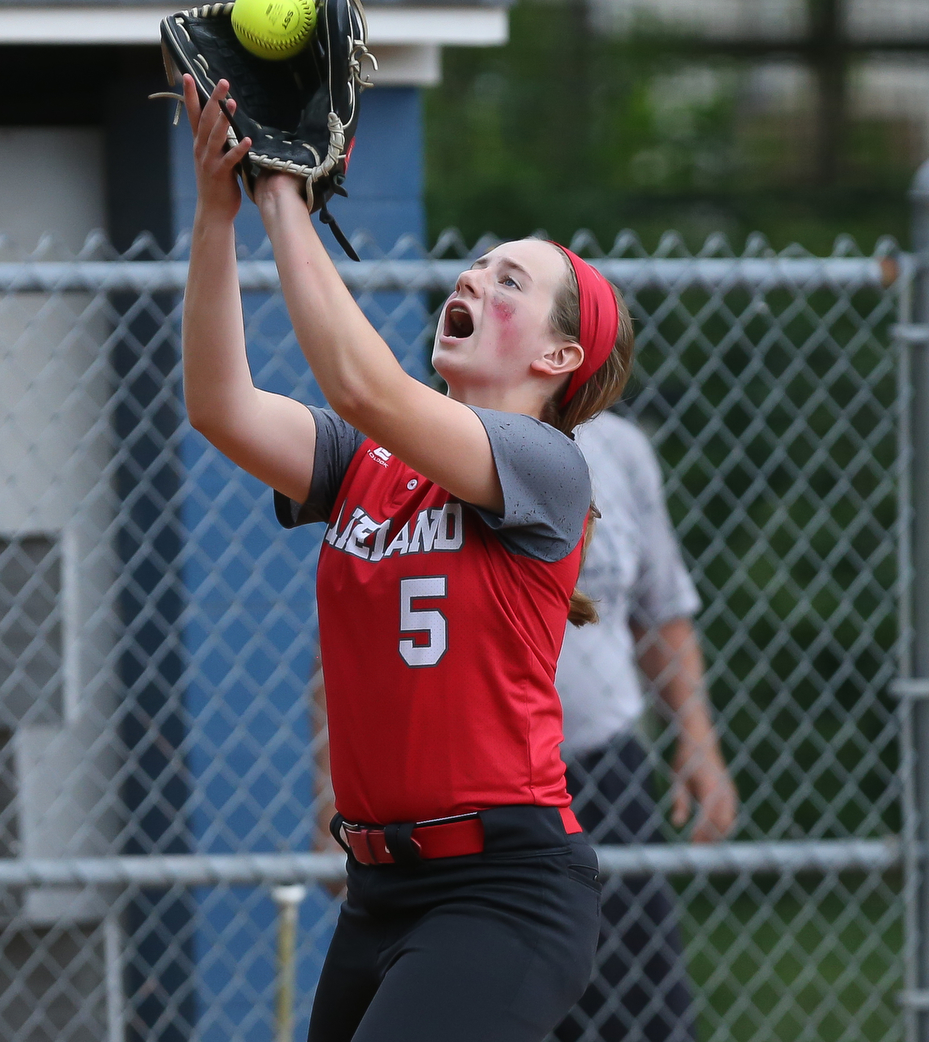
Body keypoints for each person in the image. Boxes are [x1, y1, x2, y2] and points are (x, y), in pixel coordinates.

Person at [179, 73, 633, 1042]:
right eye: (477, 265)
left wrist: (280, 194)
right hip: (378, 890)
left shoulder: (546, 466)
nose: (472, 278)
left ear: (557, 359)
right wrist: (218, 215)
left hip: (502, 893)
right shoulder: (367, 462)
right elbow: (220, 407)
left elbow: (363, 385)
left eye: (509, 282)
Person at [553, 411, 739, 1042]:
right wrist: (335, 800)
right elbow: (352, 645)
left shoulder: (619, 447)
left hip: (602, 769)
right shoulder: (428, 437)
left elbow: (660, 612)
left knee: (639, 1015)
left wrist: (697, 738)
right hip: (477, 786)